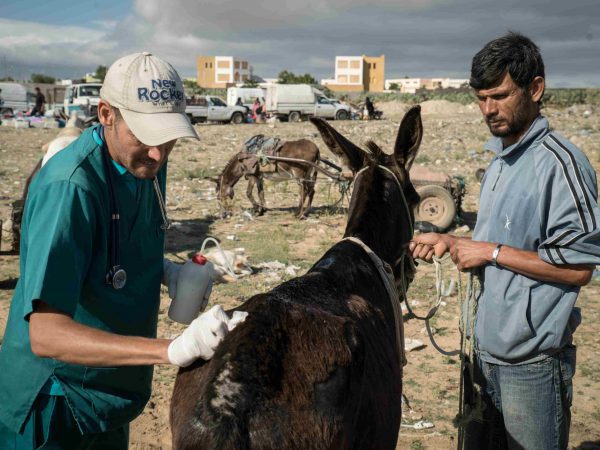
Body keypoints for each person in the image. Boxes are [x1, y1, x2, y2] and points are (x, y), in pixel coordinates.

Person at [0, 52, 246, 449]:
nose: (158, 153)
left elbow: (120, 244)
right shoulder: (70, 190)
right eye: (146, 136)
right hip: (56, 401)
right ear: (105, 114)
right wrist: (172, 350)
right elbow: (46, 334)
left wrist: (167, 271)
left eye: (168, 138)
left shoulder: (145, 165)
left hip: (111, 393)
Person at [410, 32, 599, 449]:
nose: (488, 109)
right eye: (480, 98)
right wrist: (455, 243)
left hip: (532, 364)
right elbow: (496, 245)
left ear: (535, 88)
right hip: (485, 355)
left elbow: (580, 266)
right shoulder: (499, 162)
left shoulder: (561, 165)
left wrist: (489, 251)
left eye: (498, 95)